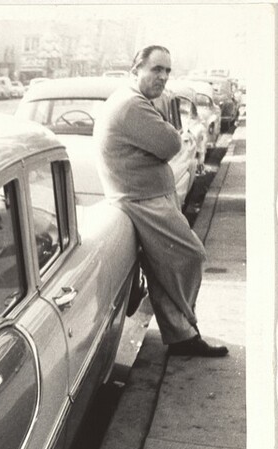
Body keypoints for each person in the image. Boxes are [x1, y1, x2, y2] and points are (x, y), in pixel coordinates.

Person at [94, 45, 228, 358]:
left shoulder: (136, 100)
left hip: (146, 195)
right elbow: (170, 144)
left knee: (164, 268)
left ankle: (182, 335)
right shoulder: (132, 105)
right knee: (191, 255)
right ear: (135, 70)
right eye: (156, 69)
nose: (163, 77)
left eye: (167, 70)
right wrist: (169, 134)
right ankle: (185, 326)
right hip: (142, 199)